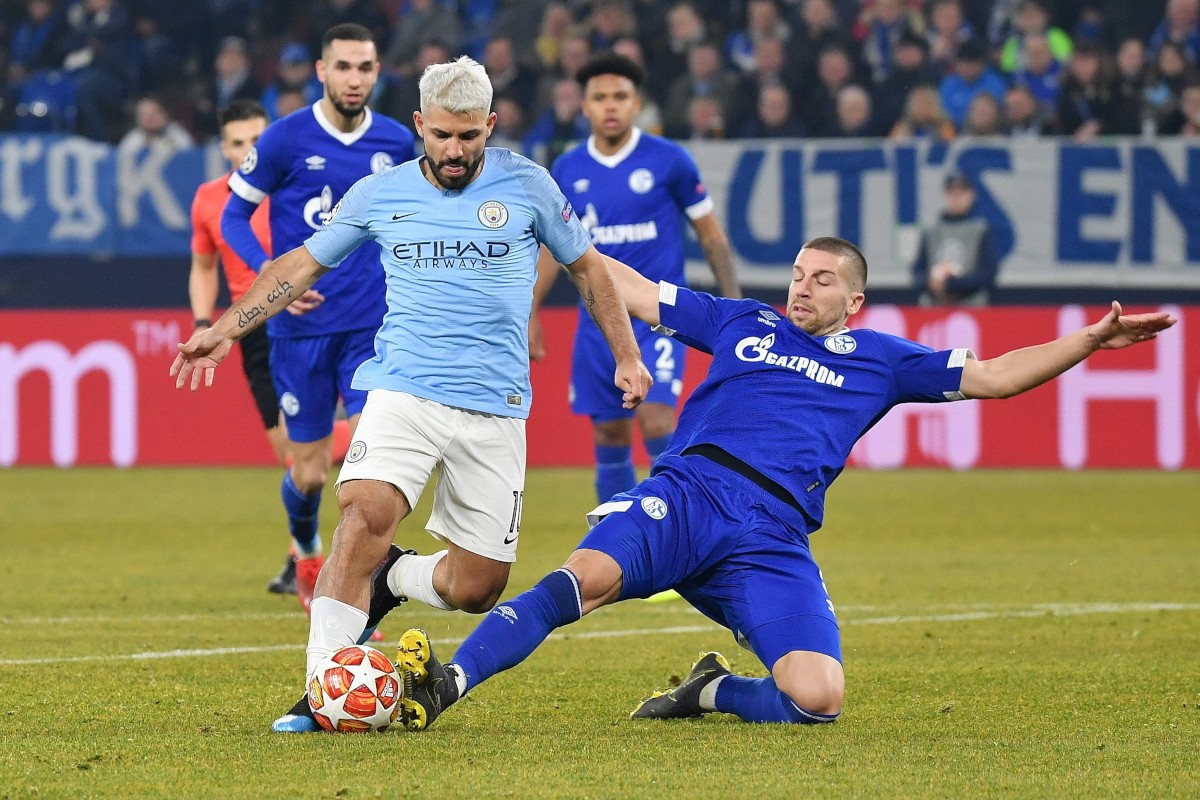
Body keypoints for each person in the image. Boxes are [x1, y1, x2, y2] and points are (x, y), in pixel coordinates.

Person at [387, 235, 1176, 732]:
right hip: (691, 493)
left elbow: (998, 376)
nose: (802, 287)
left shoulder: (881, 359)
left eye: (822, 279)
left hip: (770, 537)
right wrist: (562, 235)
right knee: (584, 576)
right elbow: (630, 288)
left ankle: (708, 694)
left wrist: (1091, 338)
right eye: (798, 274)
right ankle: (449, 682)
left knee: (818, 695)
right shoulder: (741, 322)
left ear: (854, 300)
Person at [170, 55, 653, 733]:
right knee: (362, 513)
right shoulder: (382, 192)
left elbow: (590, 271)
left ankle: (395, 578)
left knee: (477, 588)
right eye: (442, 136)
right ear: (420, 125)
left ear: (490, 125)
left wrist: (627, 354)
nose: (455, 151)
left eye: (470, 137)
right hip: (403, 388)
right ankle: (323, 690)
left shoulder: (530, 187)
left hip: (494, 406)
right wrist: (225, 327)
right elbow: (299, 262)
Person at [218, 23, 416, 614]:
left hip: (371, 328)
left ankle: (356, 585)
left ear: (376, 74)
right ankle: (305, 548)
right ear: (322, 73)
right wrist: (272, 277)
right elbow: (233, 218)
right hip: (298, 334)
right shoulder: (283, 140)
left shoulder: (398, 141)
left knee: (373, 457)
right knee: (308, 473)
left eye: (365, 68)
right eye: (344, 67)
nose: (355, 78)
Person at [531, 52, 739, 507]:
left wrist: (736, 306)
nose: (610, 106)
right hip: (596, 321)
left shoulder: (669, 161)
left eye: (620, 97)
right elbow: (552, 248)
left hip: (660, 317)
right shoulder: (567, 170)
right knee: (608, 428)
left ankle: (682, 523)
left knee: (658, 419)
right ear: (583, 106)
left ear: (636, 103)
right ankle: (618, 537)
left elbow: (712, 237)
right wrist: (531, 310)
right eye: (599, 97)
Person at [187, 99, 303, 592]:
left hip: (313, 319)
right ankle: (308, 550)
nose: (248, 150)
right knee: (289, 451)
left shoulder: (294, 189)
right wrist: (202, 320)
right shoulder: (210, 200)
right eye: (238, 143)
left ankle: (309, 558)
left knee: (320, 446)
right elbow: (204, 266)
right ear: (223, 148)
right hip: (253, 328)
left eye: (257, 139)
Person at [911, 172, 999, 305]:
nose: (956, 198)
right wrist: (929, 283)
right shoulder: (931, 231)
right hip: (934, 308)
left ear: (972, 195)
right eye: (952, 192)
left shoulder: (982, 230)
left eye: (961, 192)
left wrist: (952, 284)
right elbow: (918, 269)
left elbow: (988, 273)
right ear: (945, 195)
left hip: (973, 308)